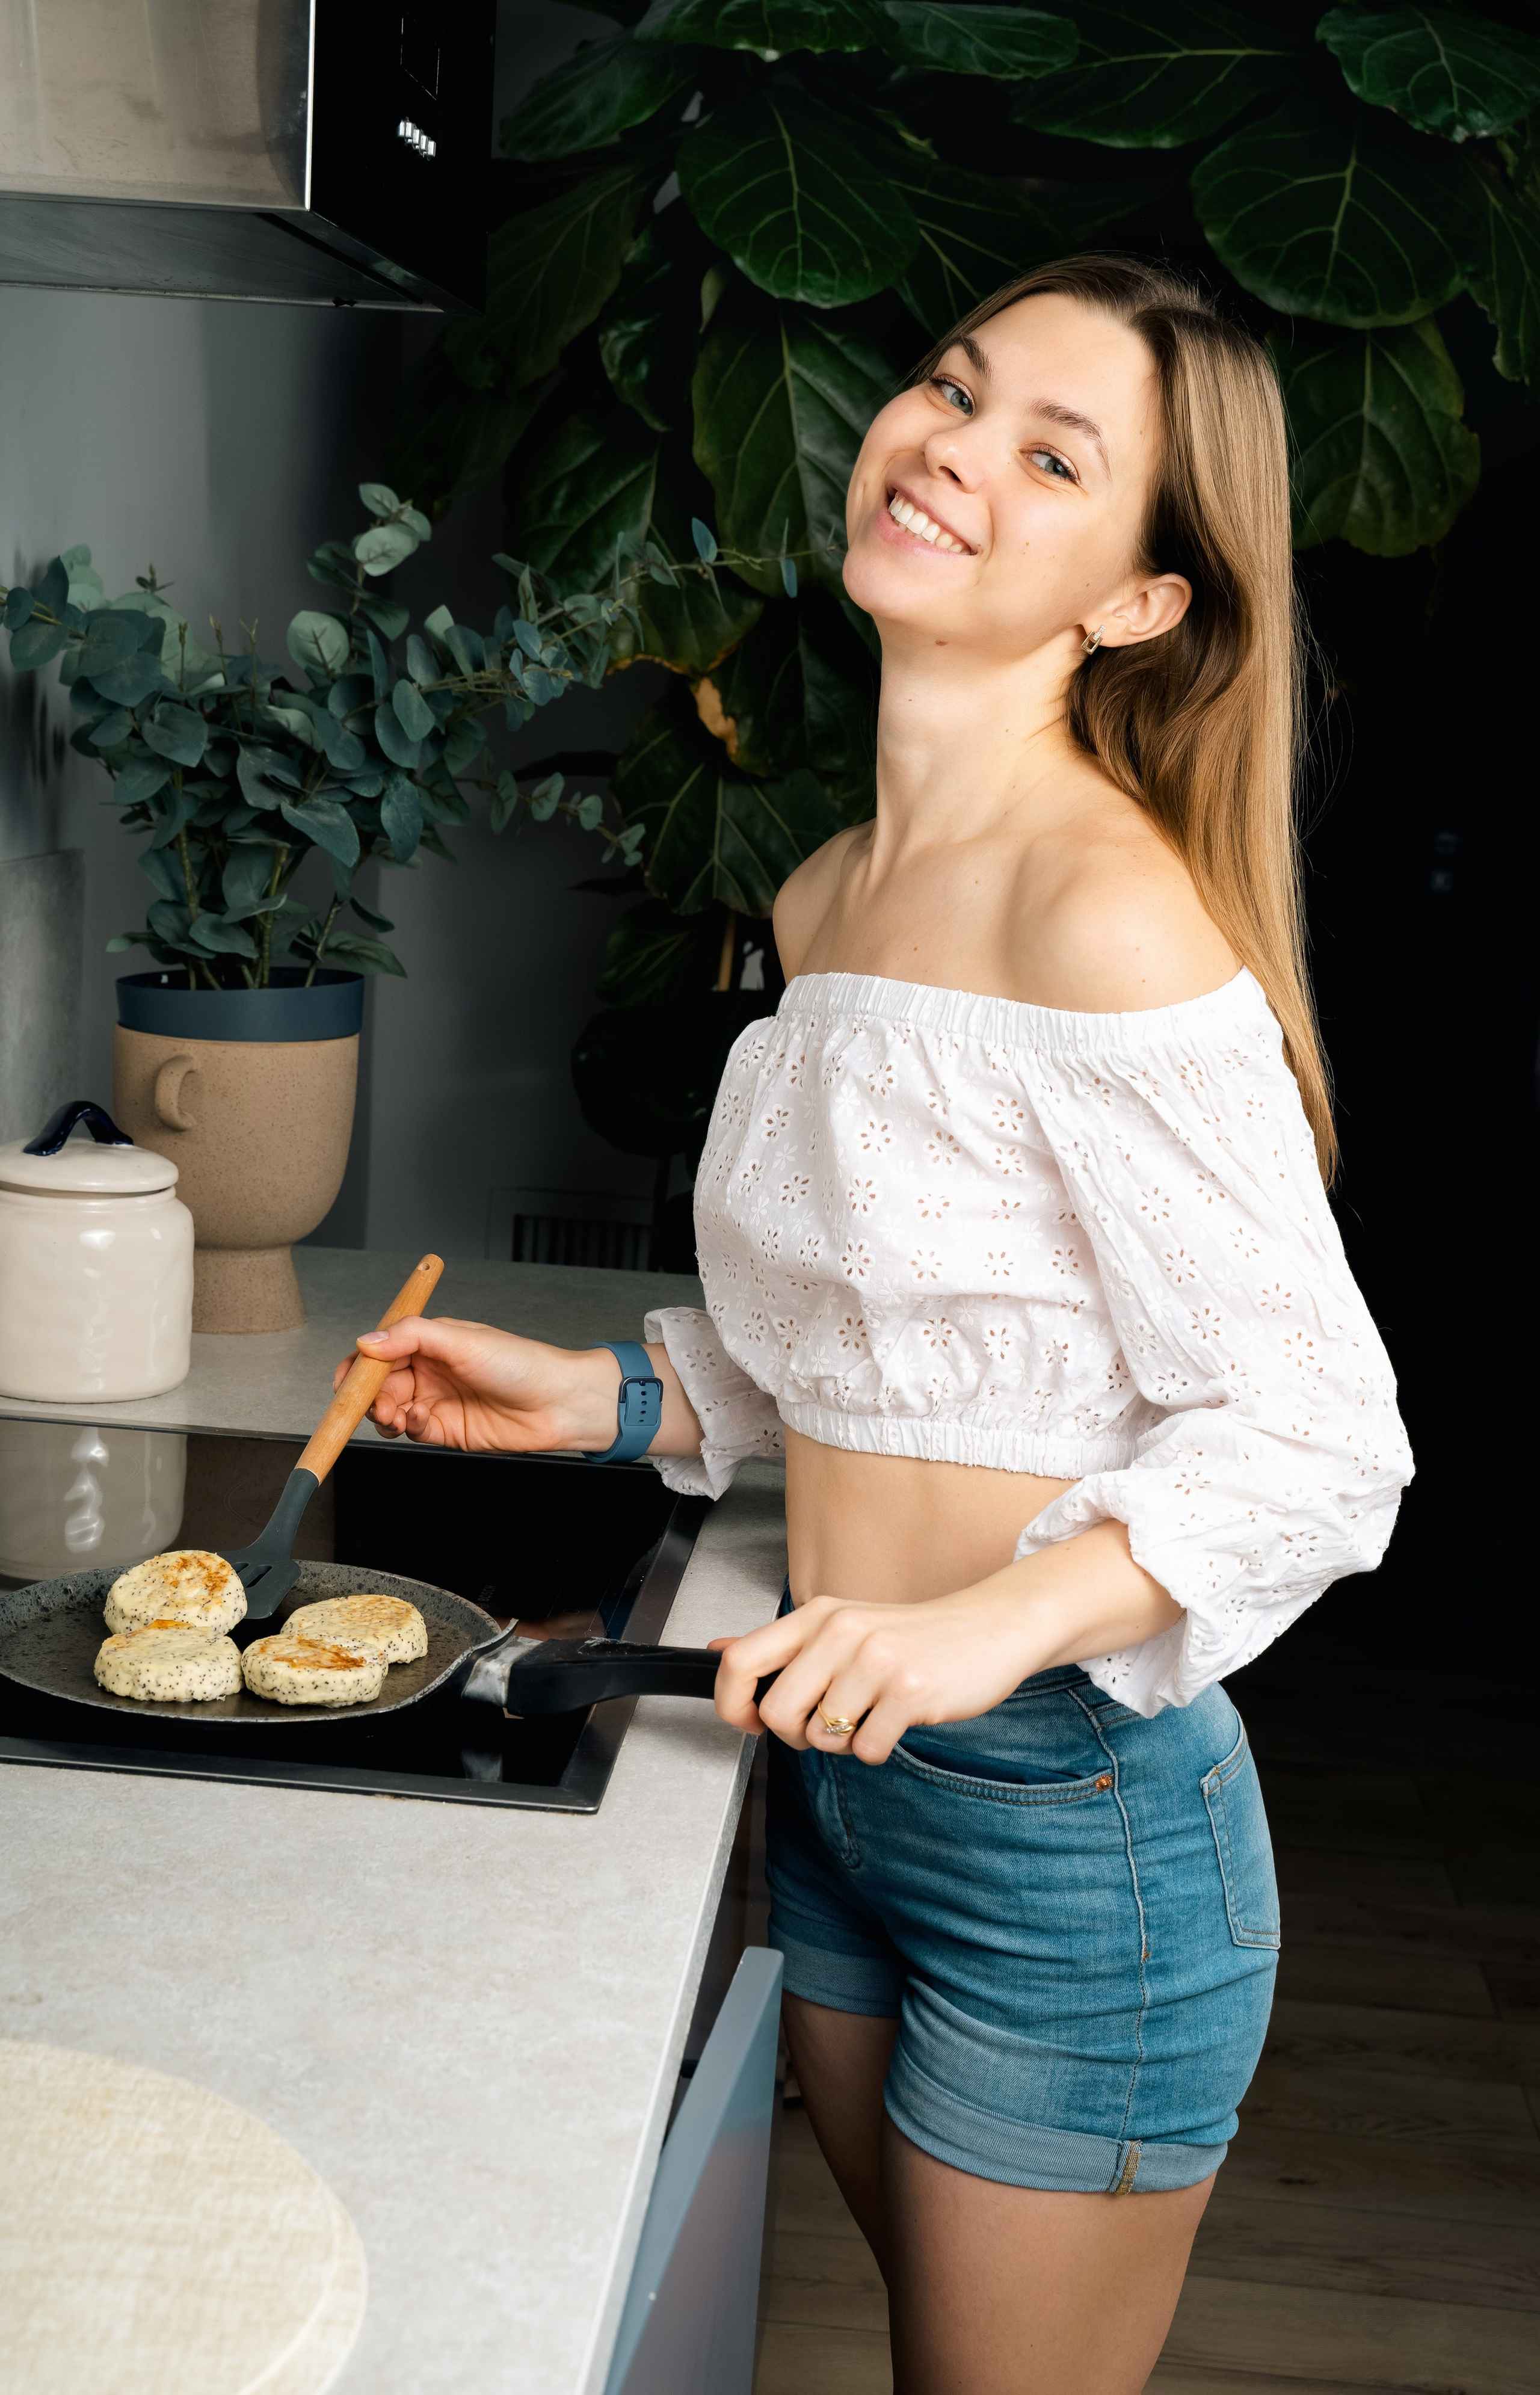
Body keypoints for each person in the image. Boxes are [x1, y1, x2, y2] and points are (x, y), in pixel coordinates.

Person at [338, 257, 1411, 2393]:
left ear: (1137, 602)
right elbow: (904, 1329)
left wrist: (973, 1635)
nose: (949, 446)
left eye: (1054, 454)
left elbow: (1320, 1437)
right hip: (838, 1782)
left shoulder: (1101, 906)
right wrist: (618, 1390)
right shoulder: (829, 891)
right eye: (952, 384)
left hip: (1070, 1817)